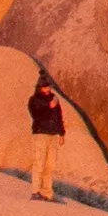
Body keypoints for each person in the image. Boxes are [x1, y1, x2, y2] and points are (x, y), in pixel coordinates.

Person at [26, 65, 66, 200]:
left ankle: (47, 193)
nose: (48, 89)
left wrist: (61, 133)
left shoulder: (54, 99)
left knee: (50, 165)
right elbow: (36, 115)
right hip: (40, 134)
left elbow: (58, 116)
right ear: (40, 88)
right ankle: (35, 191)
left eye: (49, 87)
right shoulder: (34, 100)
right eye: (45, 87)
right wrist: (48, 107)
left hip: (53, 135)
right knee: (39, 163)